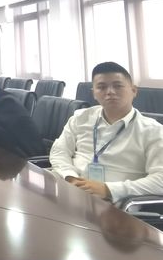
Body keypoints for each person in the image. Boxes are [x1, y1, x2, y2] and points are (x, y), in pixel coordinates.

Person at [49, 61, 163, 202]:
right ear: (94, 93)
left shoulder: (153, 131)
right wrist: (70, 177)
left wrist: (108, 189)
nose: (110, 92)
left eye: (117, 86)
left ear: (134, 90)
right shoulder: (81, 117)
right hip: (70, 190)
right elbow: (59, 151)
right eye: (102, 87)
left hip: (114, 203)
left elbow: (160, 179)